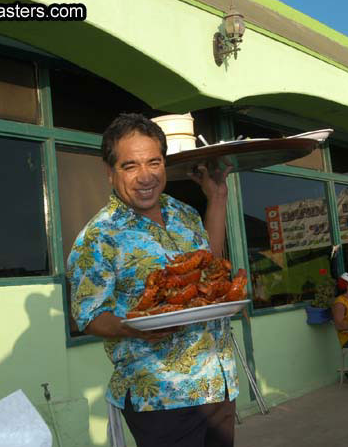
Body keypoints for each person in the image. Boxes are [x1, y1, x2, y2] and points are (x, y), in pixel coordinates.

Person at [67, 113, 237, 447]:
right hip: (161, 395)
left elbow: (210, 269)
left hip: (217, 382)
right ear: (110, 172)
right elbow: (88, 316)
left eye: (153, 162)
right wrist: (133, 327)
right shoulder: (99, 236)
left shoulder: (183, 212)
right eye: (130, 166)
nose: (145, 176)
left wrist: (217, 199)